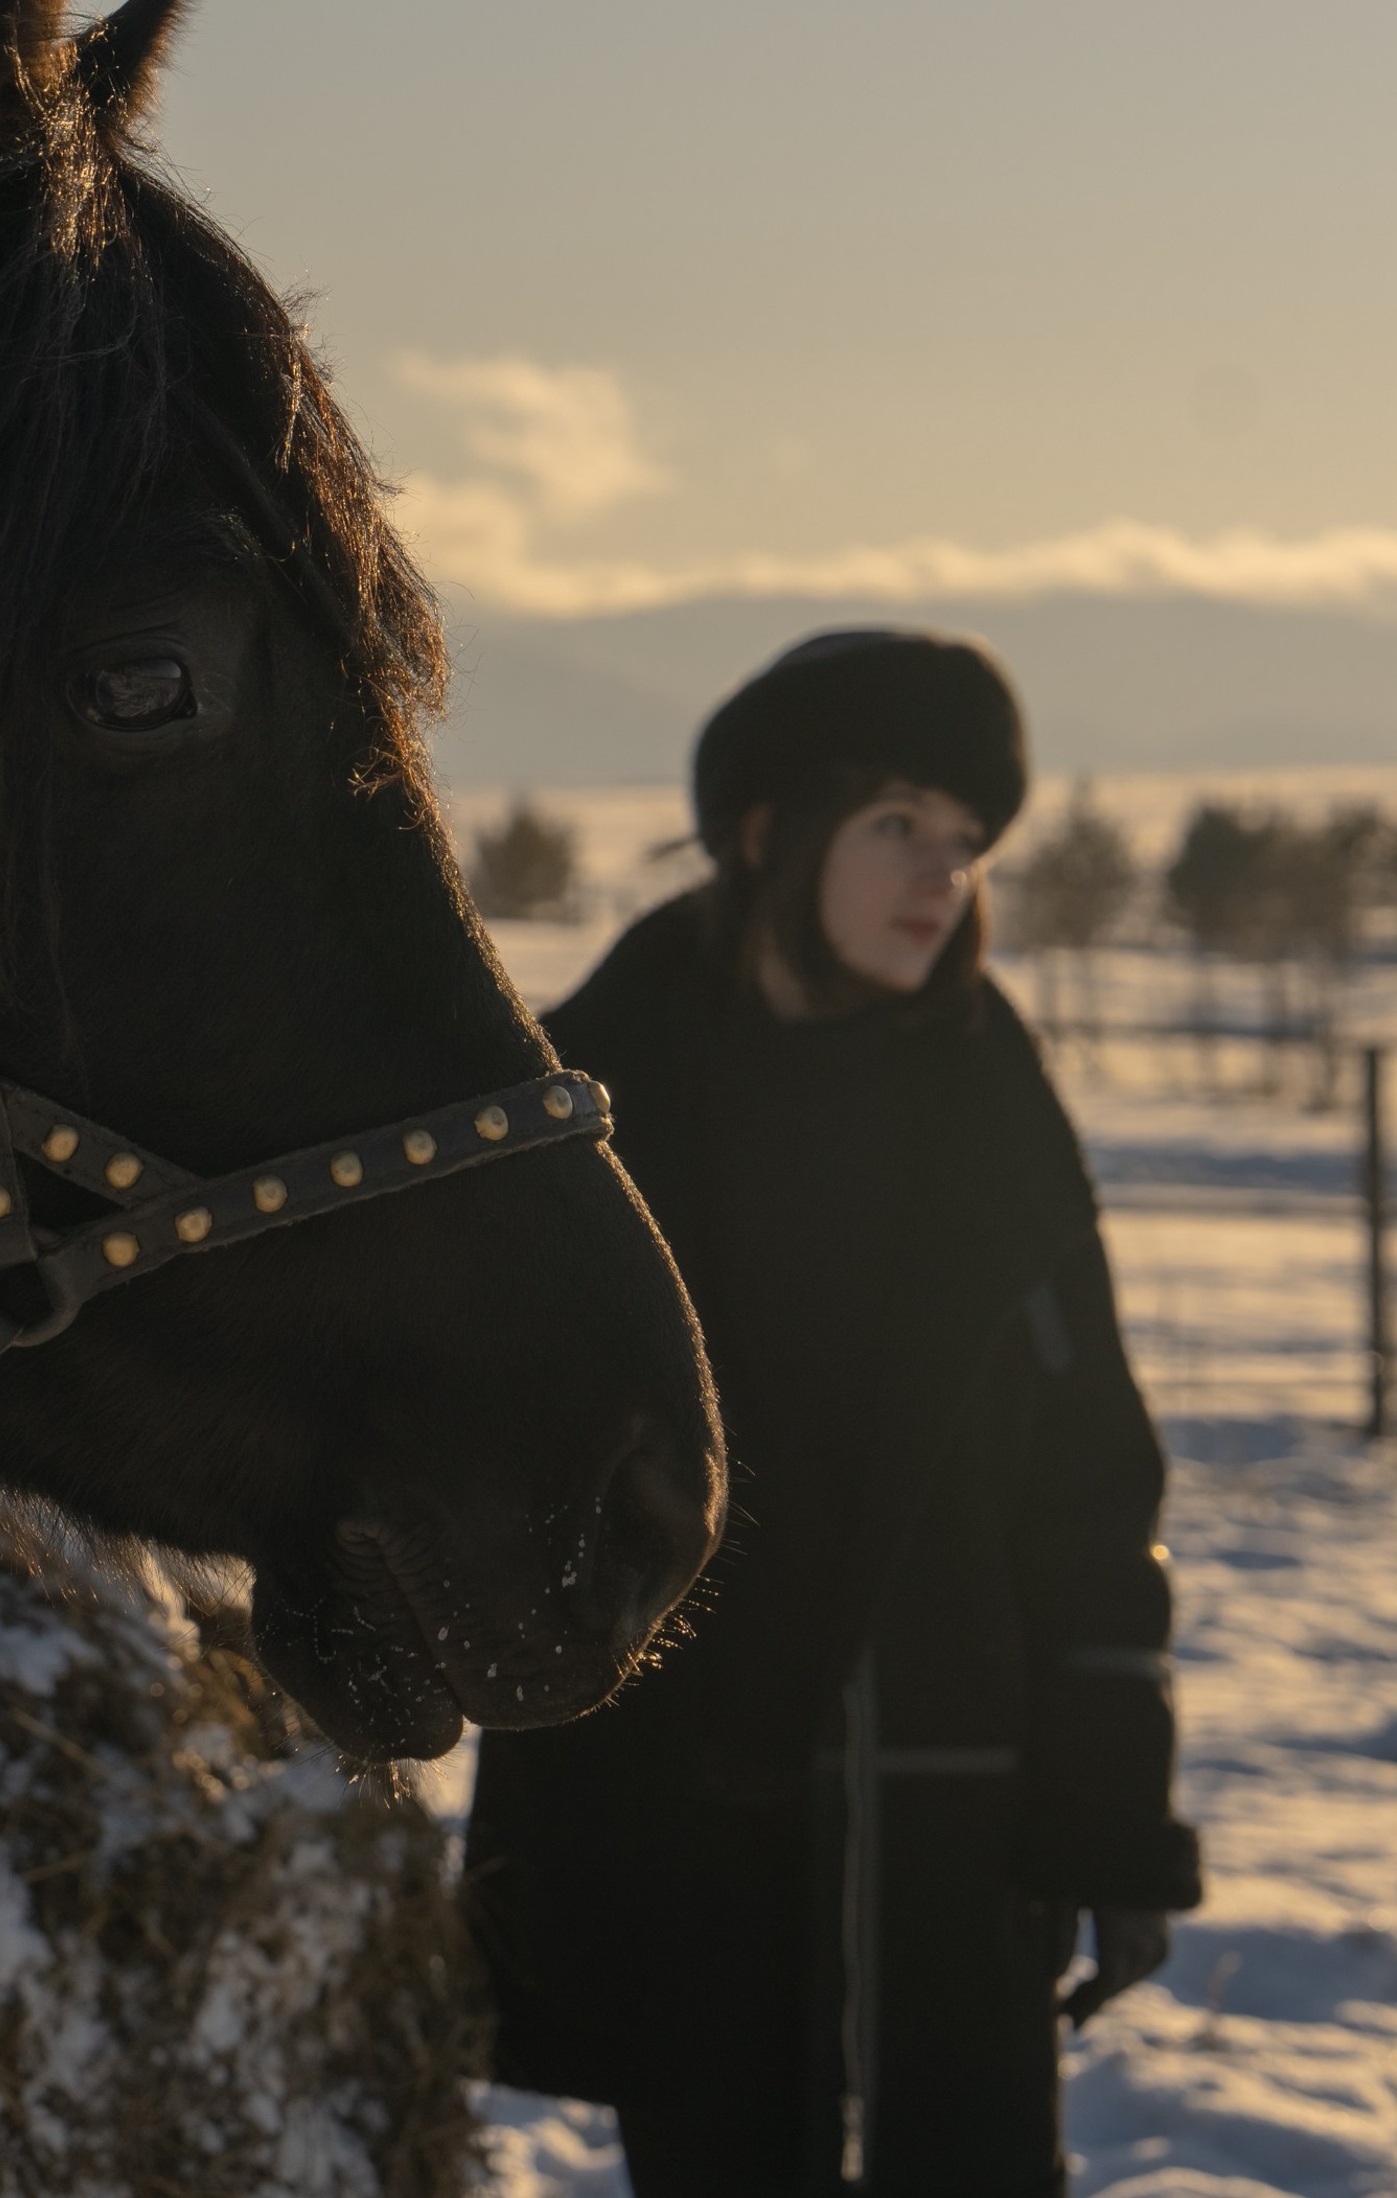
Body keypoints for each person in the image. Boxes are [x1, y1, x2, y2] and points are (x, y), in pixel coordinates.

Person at [465, 630, 1199, 2198]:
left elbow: (1089, 1479)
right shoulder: (591, 1103)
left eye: (964, 840)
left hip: (962, 1828)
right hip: (690, 1832)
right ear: (765, 833)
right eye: (896, 826)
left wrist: (1110, 1817)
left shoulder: (993, 1101)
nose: (942, 875)